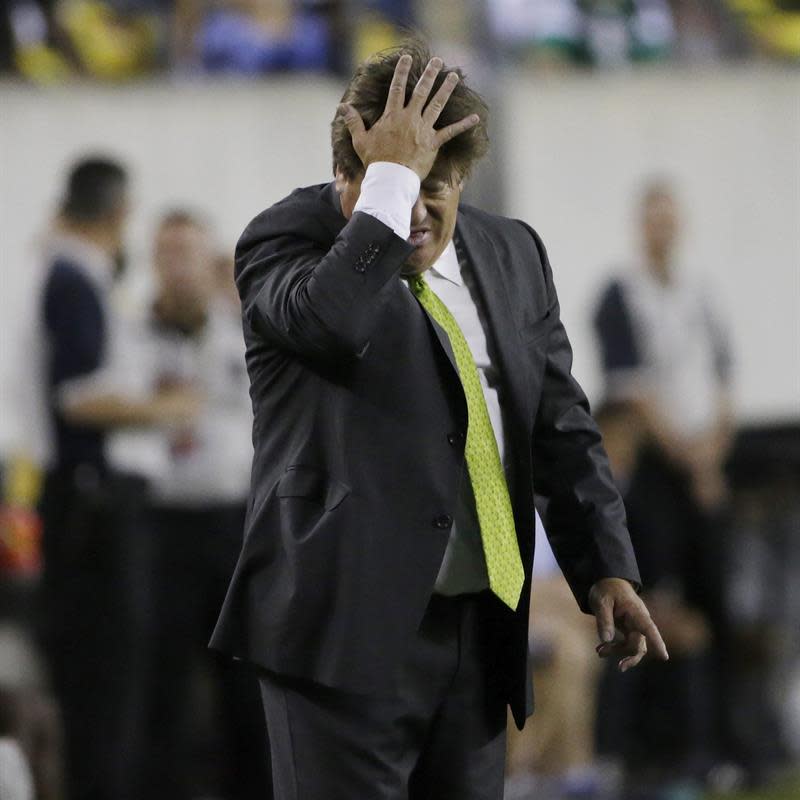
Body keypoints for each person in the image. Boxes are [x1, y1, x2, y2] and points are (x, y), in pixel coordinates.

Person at [211, 41, 668, 799]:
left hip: (479, 634)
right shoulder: (283, 240)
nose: (416, 213)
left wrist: (606, 567)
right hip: (342, 632)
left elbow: (559, 422)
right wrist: (390, 180)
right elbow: (330, 327)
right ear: (348, 170)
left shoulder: (511, 251)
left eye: (439, 188)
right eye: (399, 185)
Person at [36, 156, 199, 800]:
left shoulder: (70, 273)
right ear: (121, 212)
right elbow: (76, 397)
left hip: (95, 501)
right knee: (105, 684)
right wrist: (167, 410)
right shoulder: (72, 278)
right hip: (91, 502)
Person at [119, 210, 270, 799]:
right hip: (158, 525)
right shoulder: (126, 338)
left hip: (233, 523)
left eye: (191, 254)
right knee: (162, 681)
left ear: (212, 266)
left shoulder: (244, 337)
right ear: (154, 261)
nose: (180, 267)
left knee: (246, 681)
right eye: (168, 253)